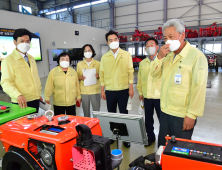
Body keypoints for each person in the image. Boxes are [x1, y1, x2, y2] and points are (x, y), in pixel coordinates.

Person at [150, 19, 208, 147]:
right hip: (165, 111)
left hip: (182, 115)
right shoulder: (167, 56)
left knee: (179, 149)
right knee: (163, 147)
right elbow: (154, 74)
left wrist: (191, 115)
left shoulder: (196, 56)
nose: (168, 41)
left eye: (171, 37)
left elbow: (199, 88)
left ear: (182, 35)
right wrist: (158, 58)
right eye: (165, 38)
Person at [100, 30, 134, 148]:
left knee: (124, 114)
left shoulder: (126, 55)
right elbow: (102, 74)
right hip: (109, 90)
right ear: (107, 42)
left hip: (123, 89)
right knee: (112, 114)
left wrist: (131, 88)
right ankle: (113, 136)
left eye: (115, 39)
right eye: (110, 40)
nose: (113, 42)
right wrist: (102, 90)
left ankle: (125, 138)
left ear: (118, 40)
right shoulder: (105, 57)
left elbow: (130, 72)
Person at [1, 28, 42, 112]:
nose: (25, 44)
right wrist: (18, 95)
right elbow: (6, 82)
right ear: (15, 42)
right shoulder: (8, 61)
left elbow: (35, 78)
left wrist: (38, 95)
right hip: (21, 101)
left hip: (35, 99)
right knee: (24, 124)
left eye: (27, 41)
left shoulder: (31, 58)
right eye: (21, 41)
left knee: (35, 123)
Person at [136, 37, 161, 147]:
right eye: (147, 45)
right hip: (147, 95)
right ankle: (150, 137)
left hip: (160, 96)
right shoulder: (143, 63)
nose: (149, 46)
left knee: (163, 120)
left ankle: (164, 140)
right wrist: (140, 92)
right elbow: (140, 79)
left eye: (152, 44)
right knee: (148, 119)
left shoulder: (162, 61)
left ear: (157, 47)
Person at [77, 44, 100, 117]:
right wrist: (80, 78)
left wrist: (99, 76)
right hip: (84, 92)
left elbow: (103, 76)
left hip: (95, 91)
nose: (87, 52)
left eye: (89, 50)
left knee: (96, 113)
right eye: (85, 51)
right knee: (86, 113)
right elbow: (76, 78)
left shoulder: (98, 64)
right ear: (83, 53)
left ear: (92, 51)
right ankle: (87, 128)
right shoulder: (79, 64)